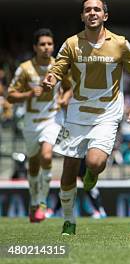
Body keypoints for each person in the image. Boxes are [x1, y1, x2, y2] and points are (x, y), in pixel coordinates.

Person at [42, 0, 130, 236]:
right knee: (68, 171)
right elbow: (58, 68)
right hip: (78, 113)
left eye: (97, 9)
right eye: (87, 10)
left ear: (105, 15)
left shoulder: (120, 43)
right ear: (82, 16)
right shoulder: (71, 43)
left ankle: (91, 174)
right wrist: (51, 79)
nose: (92, 13)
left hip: (108, 112)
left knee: (95, 162)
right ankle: (69, 219)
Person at [7, 28, 72, 223]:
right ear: (35, 47)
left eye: (49, 44)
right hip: (31, 122)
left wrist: (64, 100)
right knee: (33, 165)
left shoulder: (58, 66)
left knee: (46, 155)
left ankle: (43, 202)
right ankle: (34, 201)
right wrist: (28, 94)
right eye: (42, 44)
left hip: (52, 119)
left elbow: (69, 88)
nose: (46, 48)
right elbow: (10, 95)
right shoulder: (25, 69)